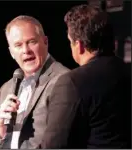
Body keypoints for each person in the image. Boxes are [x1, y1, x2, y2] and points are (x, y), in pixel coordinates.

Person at [39, 5, 131, 148]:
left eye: (70, 42)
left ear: (79, 45)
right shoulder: (126, 71)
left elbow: (54, 145)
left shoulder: (71, 83)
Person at [0, 15, 69, 149]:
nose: (26, 50)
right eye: (18, 45)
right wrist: (0, 129)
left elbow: (58, 143)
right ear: (11, 52)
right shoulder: (6, 89)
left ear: (45, 42)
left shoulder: (63, 80)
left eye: (31, 42)